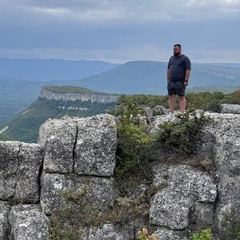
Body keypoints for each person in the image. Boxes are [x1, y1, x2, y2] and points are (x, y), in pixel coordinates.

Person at [166, 43, 191, 118]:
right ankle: (171, 113)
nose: (174, 51)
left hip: (180, 81)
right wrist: (168, 80)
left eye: (176, 49)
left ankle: (182, 113)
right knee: (171, 96)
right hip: (171, 81)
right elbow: (168, 69)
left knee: (181, 97)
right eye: (173, 49)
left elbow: (188, 70)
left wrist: (186, 80)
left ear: (180, 49)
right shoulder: (171, 58)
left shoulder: (185, 59)